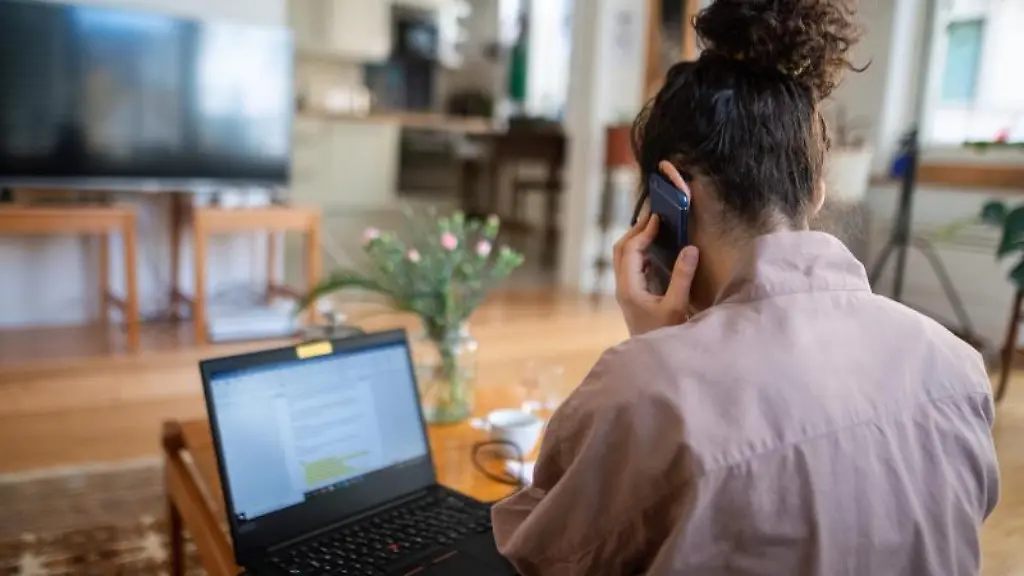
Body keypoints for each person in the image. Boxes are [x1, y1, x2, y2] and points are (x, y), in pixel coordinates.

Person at [490, 0, 1000, 574]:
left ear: (673, 194)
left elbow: (537, 551)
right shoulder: (958, 370)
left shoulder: (642, 394)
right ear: (815, 193)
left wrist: (652, 354)